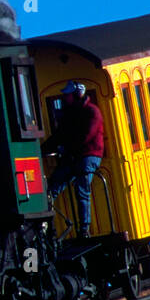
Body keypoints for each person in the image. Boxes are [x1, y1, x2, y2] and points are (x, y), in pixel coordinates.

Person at [42, 80, 105, 233]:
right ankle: (49, 228)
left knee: (81, 188)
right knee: (52, 186)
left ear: (76, 95)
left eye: (68, 95)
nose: (65, 98)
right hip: (73, 155)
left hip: (90, 154)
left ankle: (84, 229)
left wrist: (67, 147)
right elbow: (59, 135)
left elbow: (86, 136)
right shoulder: (69, 113)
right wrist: (41, 150)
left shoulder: (92, 112)